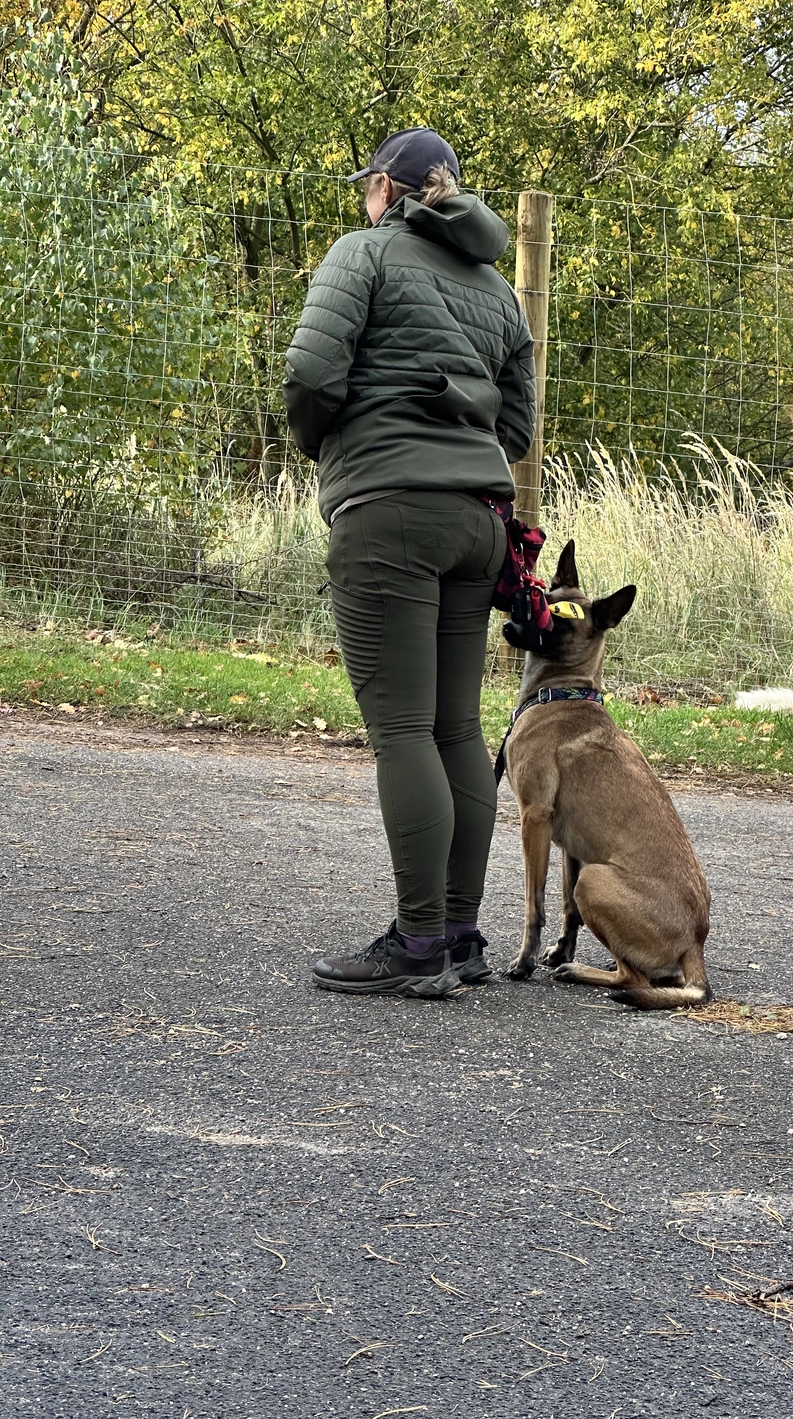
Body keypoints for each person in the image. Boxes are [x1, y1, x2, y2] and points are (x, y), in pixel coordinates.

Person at [283, 127, 537, 997]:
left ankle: (419, 945)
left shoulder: (363, 254)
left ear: (387, 191)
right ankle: (461, 934)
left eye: (367, 189)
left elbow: (312, 371)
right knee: (456, 728)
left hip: (388, 513)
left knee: (401, 729)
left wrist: (331, 449)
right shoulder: (500, 290)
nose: (363, 202)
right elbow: (519, 428)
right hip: (478, 521)